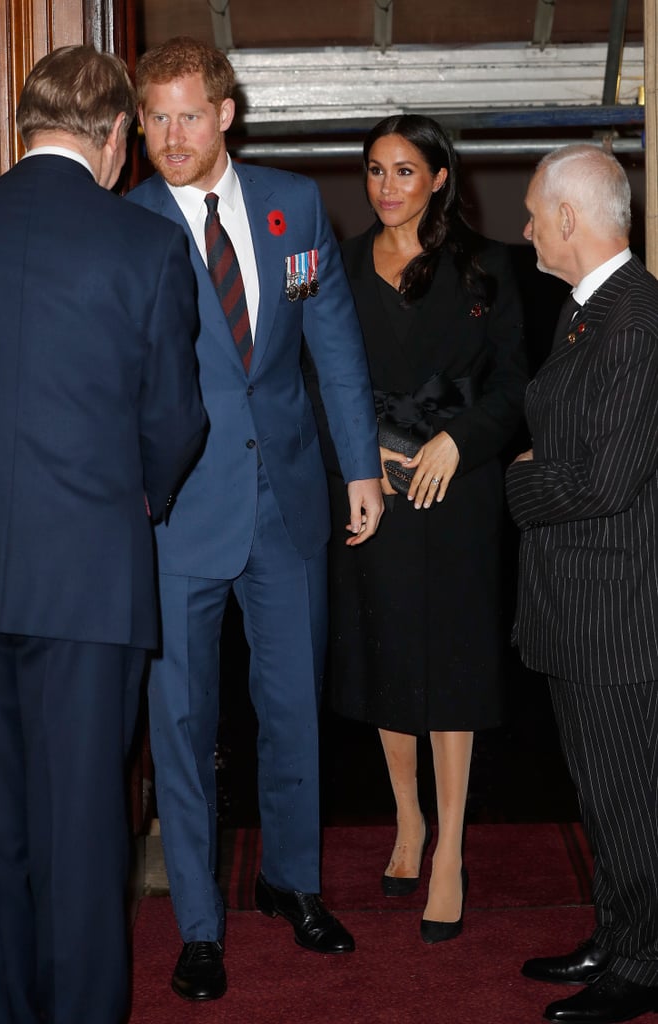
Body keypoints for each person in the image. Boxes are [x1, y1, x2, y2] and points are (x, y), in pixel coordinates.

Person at [128, 36, 384, 1002]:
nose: (170, 136)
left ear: (226, 113)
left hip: (287, 506)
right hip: (177, 517)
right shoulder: (133, 222)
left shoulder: (294, 206)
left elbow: (334, 343)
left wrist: (357, 467)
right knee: (183, 723)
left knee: (290, 711)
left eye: (188, 114)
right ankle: (199, 923)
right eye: (154, 118)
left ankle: (293, 882)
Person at [0, 44, 205, 1024]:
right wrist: (137, 502)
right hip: (89, 584)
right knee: (79, 836)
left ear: (27, 127)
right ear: (115, 136)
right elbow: (174, 423)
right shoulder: (145, 248)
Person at [314, 114, 527, 944]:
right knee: (385, 657)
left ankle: (449, 853)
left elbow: (514, 385)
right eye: (374, 170)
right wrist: (357, 451)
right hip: (370, 488)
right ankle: (406, 821)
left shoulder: (488, 267)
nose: (386, 187)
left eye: (404, 170)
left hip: (454, 488)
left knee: (453, 667)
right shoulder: (338, 266)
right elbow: (315, 371)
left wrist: (458, 440)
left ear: (440, 177)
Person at [507, 144, 658, 1024]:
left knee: (630, 797)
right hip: (582, 599)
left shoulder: (633, 320)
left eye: (532, 213)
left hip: (617, 609)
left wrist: (519, 481)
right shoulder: (588, 311)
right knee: (602, 790)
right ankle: (617, 932)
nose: (524, 227)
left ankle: (641, 963)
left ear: (569, 217)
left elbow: (604, 480)